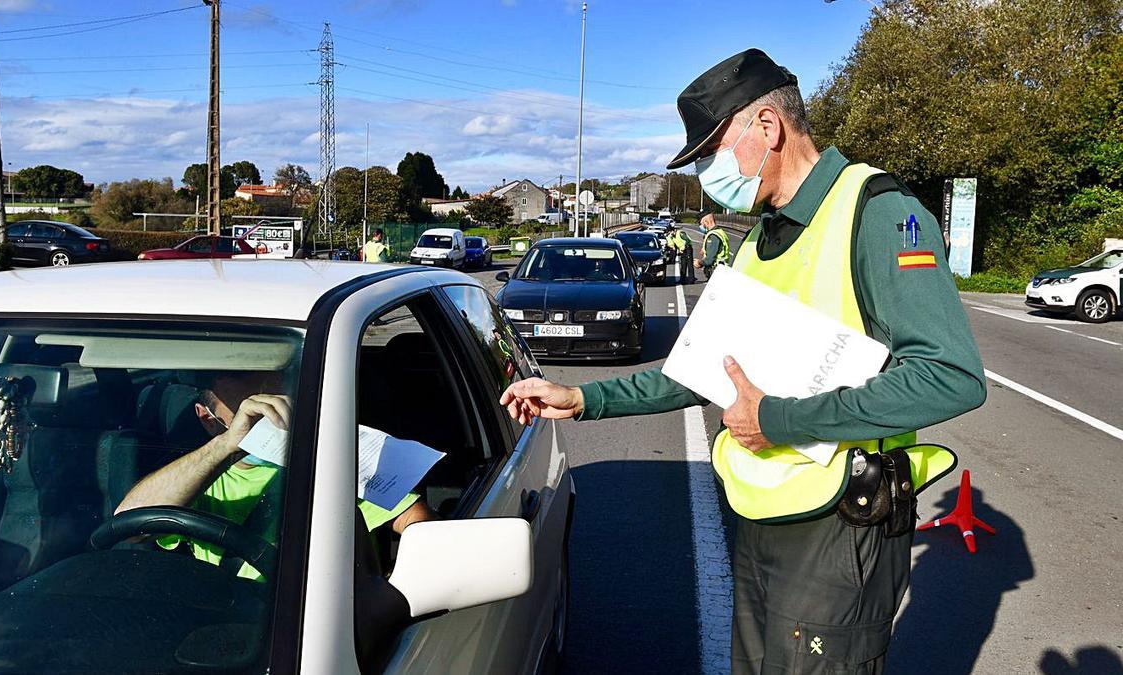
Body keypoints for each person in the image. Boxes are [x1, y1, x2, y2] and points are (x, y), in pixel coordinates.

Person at [499, 48, 986, 674]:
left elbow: (950, 376)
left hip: (841, 525)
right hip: (764, 517)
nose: (707, 169)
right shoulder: (761, 239)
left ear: (767, 127)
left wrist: (778, 420)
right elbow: (700, 368)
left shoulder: (878, 212)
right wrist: (584, 398)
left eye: (712, 149)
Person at [116, 371, 436, 580]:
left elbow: (424, 531)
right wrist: (228, 444)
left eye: (274, 400)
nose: (267, 415)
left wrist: (377, 598)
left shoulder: (332, 459)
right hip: (227, 622)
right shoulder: (199, 476)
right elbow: (130, 524)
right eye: (248, 409)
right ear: (208, 420)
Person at [694, 212, 731, 279]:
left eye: (701, 224)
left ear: (706, 221)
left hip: (716, 272)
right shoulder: (720, 231)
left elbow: (709, 260)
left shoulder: (713, 236)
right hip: (722, 270)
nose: (701, 226)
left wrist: (699, 262)